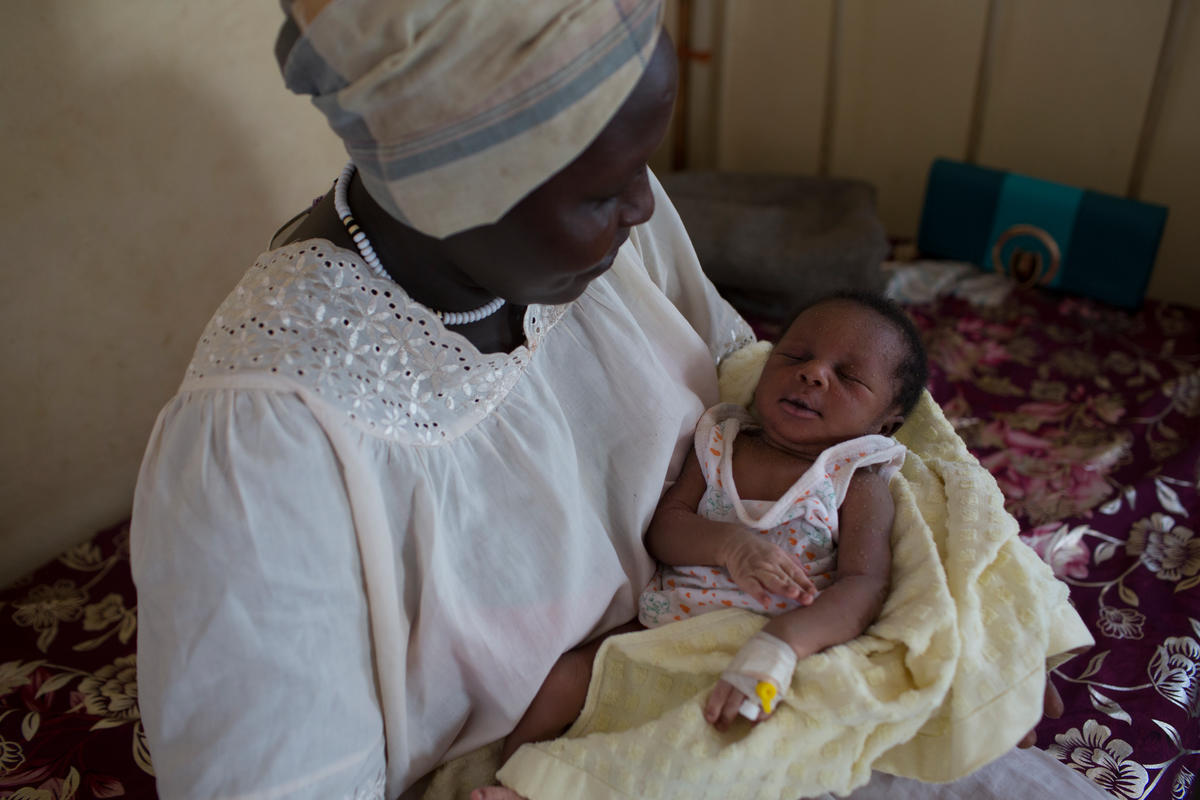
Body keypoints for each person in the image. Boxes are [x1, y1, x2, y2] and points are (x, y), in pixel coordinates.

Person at [131, 2, 1104, 799]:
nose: (644, 206)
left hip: (737, 678)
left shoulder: (596, 227)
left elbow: (741, 376)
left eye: (644, 165)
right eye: (604, 191)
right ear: (456, 187)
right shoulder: (268, 442)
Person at [642, 291, 927, 730]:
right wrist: (730, 545)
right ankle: (516, 777)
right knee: (572, 672)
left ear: (884, 425)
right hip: (663, 630)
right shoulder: (722, 444)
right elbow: (664, 528)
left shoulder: (855, 483)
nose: (812, 373)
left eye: (848, 377)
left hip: (767, 648)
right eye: (794, 355)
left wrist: (783, 643)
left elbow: (865, 586)